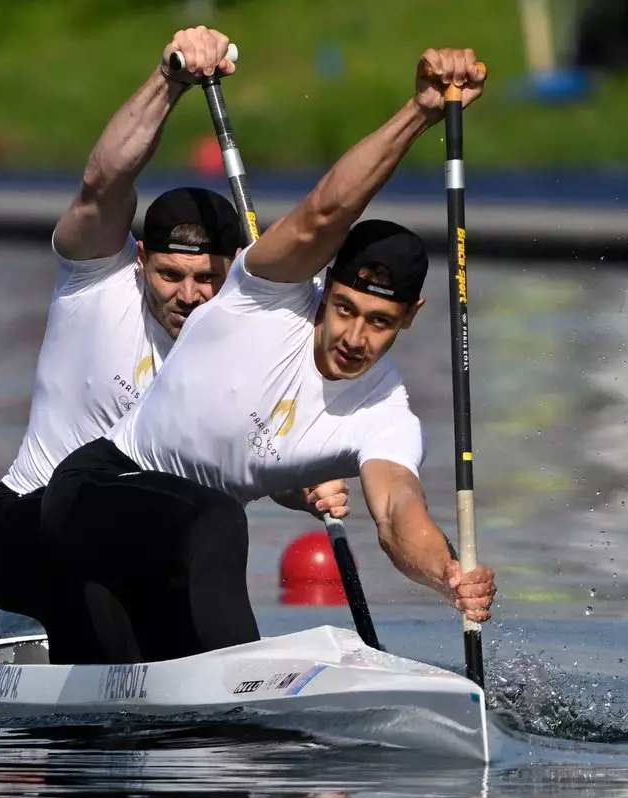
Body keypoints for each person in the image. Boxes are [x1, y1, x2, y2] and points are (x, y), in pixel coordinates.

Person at [39, 47, 499, 665]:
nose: (354, 338)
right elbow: (326, 211)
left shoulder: (386, 413)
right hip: (94, 491)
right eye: (344, 308)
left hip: (178, 544)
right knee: (221, 523)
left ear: (410, 319)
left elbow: (396, 513)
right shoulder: (266, 291)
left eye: (380, 322)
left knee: (199, 561)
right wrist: (420, 112)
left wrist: (447, 574)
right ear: (324, 287)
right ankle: (242, 699)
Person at [0, 26, 348, 664]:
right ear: (140, 261)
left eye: (207, 279)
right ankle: (229, 709)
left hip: (136, 548)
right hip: (24, 527)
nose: (188, 296)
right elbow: (102, 182)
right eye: (169, 275)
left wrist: (300, 484)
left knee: (169, 589)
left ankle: (203, 714)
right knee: (204, 532)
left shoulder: (256, 336)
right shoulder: (97, 282)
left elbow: (250, 458)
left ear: (236, 272)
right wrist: (168, 81)